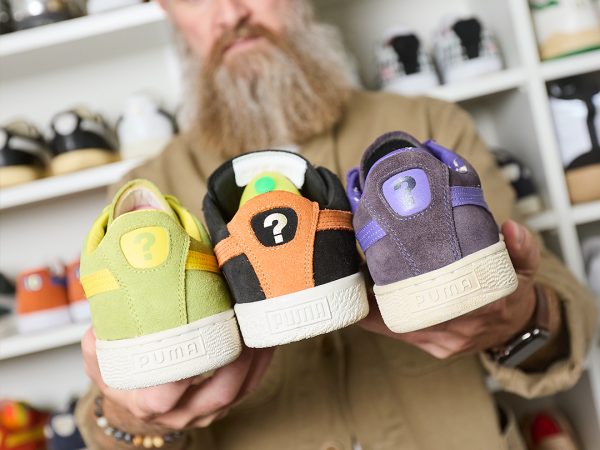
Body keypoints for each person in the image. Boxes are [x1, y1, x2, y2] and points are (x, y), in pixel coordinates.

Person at [75, 1, 597, 449]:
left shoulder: (427, 124)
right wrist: (127, 417)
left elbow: (571, 318)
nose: (231, 14)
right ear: (167, 10)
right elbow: (102, 419)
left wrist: (521, 320)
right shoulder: (147, 203)